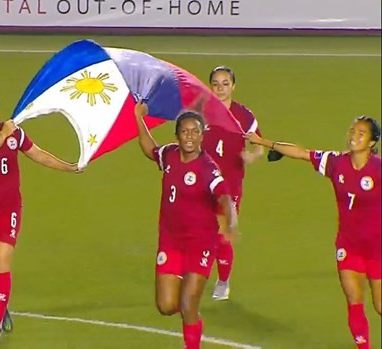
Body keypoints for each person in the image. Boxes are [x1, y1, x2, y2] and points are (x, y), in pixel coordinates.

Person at [245, 116, 381, 348]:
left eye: (361, 134)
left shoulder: (378, 168)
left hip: (377, 248)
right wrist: (265, 142)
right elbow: (302, 153)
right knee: (354, 300)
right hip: (348, 245)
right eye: (352, 131)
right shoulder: (336, 162)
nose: (353, 136)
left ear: (371, 142)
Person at [0, 90, 79, 344]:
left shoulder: (15, 133)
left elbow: (38, 154)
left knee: (2, 262)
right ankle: (1, 303)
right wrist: (2, 135)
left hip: (8, 209)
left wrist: (69, 167)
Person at [134, 100, 238, 349]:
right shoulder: (169, 155)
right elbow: (151, 150)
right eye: (184, 131)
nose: (189, 136)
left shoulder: (208, 169)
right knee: (167, 306)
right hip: (170, 242)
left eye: (195, 131)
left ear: (202, 135)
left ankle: (192, 343)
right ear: (177, 135)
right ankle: (190, 315)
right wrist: (139, 119)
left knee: (189, 305)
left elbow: (224, 196)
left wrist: (230, 223)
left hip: (200, 245)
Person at [203, 66, 264, 300]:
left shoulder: (244, 115)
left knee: (222, 234)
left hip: (229, 185)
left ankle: (223, 280)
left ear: (233, 86)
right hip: (203, 182)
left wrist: (253, 155)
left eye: (225, 83)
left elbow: (258, 142)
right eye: (216, 84)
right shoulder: (201, 111)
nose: (220, 88)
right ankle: (198, 273)